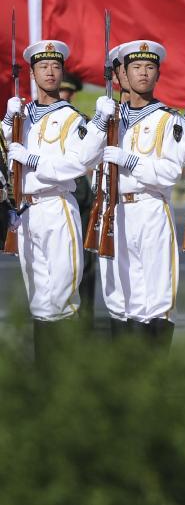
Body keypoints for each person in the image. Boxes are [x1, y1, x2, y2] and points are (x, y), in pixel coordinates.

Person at [82, 41, 184, 347]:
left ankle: (152, 377)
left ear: (158, 75)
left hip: (150, 207)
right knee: (118, 294)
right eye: (136, 67)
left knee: (155, 295)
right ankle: (124, 373)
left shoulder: (167, 120)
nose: (143, 73)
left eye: (150, 67)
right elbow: (81, 160)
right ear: (121, 74)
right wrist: (100, 122)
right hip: (114, 211)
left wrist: (131, 161)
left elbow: (170, 172)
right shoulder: (110, 119)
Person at [3, 40, 92, 362]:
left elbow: (77, 164)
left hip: (57, 205)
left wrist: (34, 159)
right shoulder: (21, 116)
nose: (50, 72)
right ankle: (45, 374)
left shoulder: (72, 118)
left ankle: (66, 375)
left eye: (55, 66)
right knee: (39, 296)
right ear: (32, 72)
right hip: (27, 212)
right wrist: (5, 124)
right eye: (43, 67)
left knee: (62, 293)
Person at [59, 72, 97, 328]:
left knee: (86, 256)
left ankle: (87, 313)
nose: (65, 95)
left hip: (82, 191)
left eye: (68, 92)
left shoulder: (79, 120)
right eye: (63, 91)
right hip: (59, 194)